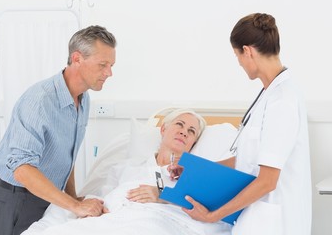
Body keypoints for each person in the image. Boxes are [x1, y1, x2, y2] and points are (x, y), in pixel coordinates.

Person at [169, 13, 311, 235]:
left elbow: (267, 181)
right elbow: (247, 160)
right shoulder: (268, 95)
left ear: (248, 51)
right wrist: (194, 170)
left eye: (237, 55)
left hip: (275, 224)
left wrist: (212, 216)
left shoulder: (283, 101)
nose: (239, 63)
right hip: (255, 220)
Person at [22, 108, 232, 235]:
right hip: (114, 220)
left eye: (191, 131)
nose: (184, 132)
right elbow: (103, 198)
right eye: (180, 124)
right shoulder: (126, 168)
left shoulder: (197, 174)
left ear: (194, 142)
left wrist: (162, 195)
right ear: (163, 129)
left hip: (155, 223)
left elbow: (211, 209)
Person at [0, 25, 117, 235]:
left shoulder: (83, 100)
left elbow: (66, 155)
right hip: (19, 200)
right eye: (103, 64)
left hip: (51, 198)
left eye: (111, 65)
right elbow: (22, 168)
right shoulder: (39, 101)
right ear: (77, 59)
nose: (109, 73)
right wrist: (74, 205)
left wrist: (73, 197)